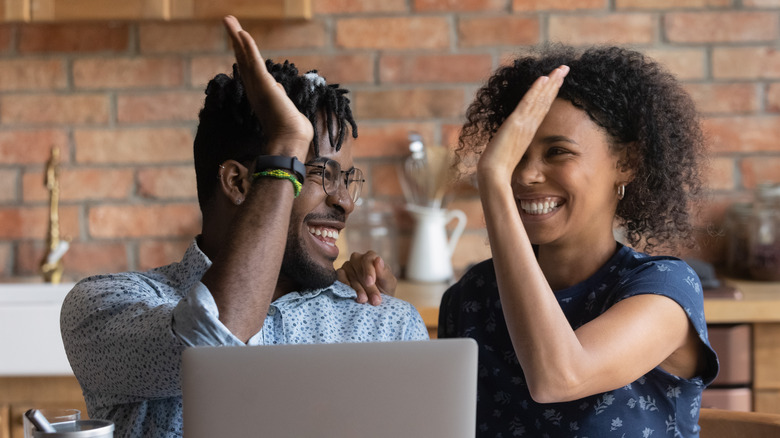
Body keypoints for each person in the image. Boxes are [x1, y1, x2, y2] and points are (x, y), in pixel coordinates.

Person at [60, 16, 428, 438]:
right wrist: (287, 144)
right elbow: (214, 340)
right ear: (238, 183)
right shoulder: (107, 306)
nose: (343, 200)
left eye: (345, 179)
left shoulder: (386, 325)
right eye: (319, 173)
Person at [438, 45, 719, 437]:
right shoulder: (472, 296)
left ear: (626, 163)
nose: (525, 176)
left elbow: (560, 377)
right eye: (515, 155)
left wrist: (493, 177)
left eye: (557, 152)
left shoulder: (664, 293)